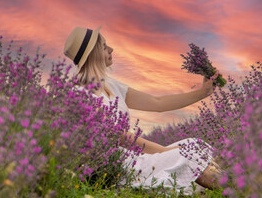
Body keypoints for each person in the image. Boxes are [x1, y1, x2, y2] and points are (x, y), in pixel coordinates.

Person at [63, 26, 222, 193]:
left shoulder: (111, 86)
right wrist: (166, 152)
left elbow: (157, 102)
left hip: (132, 159)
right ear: (93, 55)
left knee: (194, 145)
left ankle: (233, 183)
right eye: (104, 46)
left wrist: (203, 93)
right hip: (119, 168)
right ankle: (235, 190)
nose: (111, 49)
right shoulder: (79, 95)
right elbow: (121, 137)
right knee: (188, 156)